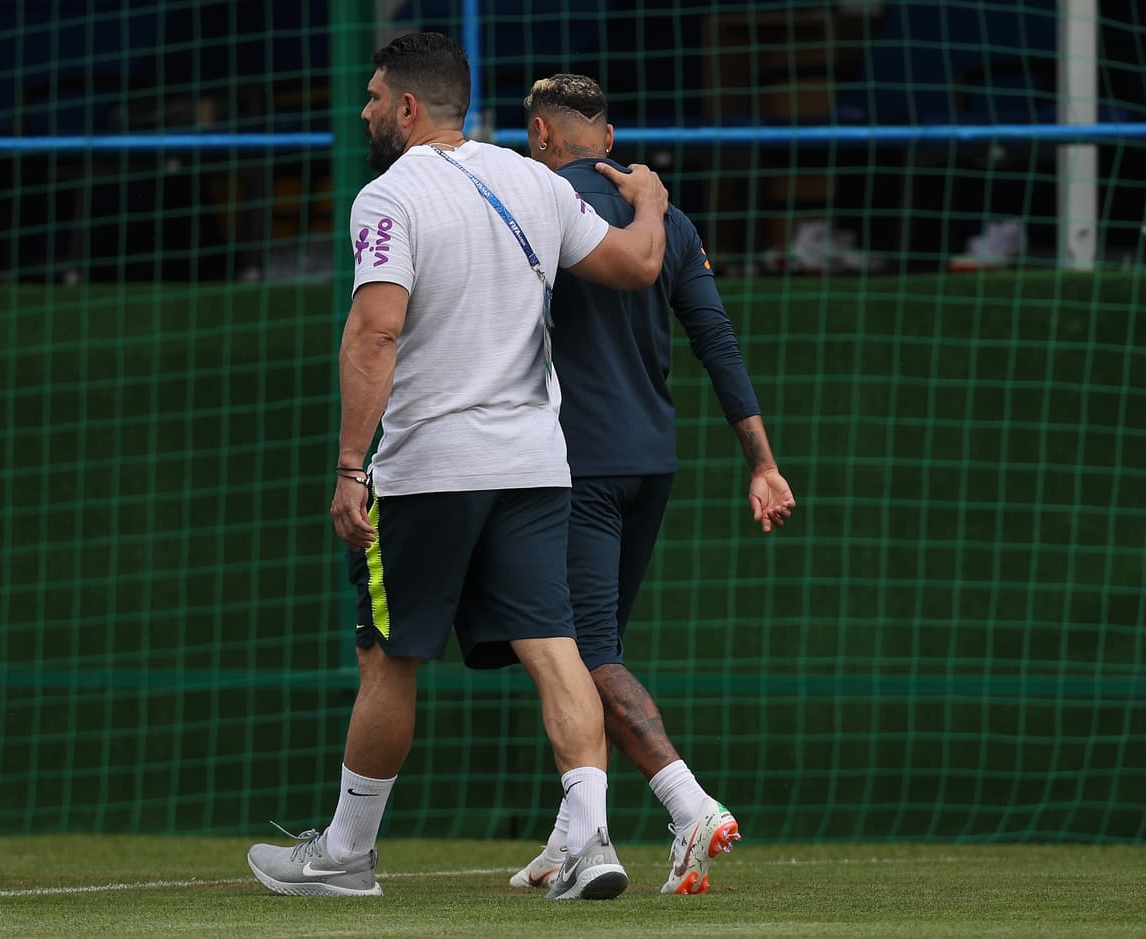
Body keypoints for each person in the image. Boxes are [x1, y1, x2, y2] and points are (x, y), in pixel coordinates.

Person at [246, 35, 671, 901]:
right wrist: (652, 198)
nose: (364, 110)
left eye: (372, 97)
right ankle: (591, 843)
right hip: (533, 463)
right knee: (557, 649)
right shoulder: (534, 181)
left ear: (409, 107)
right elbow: (638, 263)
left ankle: (347, 856)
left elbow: (374, 333)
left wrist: (349, 466)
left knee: (388, 657)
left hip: (428, 468)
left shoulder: (388, 196)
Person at [508, 74, 797, 896]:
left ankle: (688, 802)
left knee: (582, 652)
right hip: (650, 465)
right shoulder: (660, 216)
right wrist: (762, 462)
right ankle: (570, 838)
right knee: (585, 651)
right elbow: (716, 339)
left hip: (570, 467)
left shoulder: (534, 204)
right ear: (606, 133)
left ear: (540, 133)